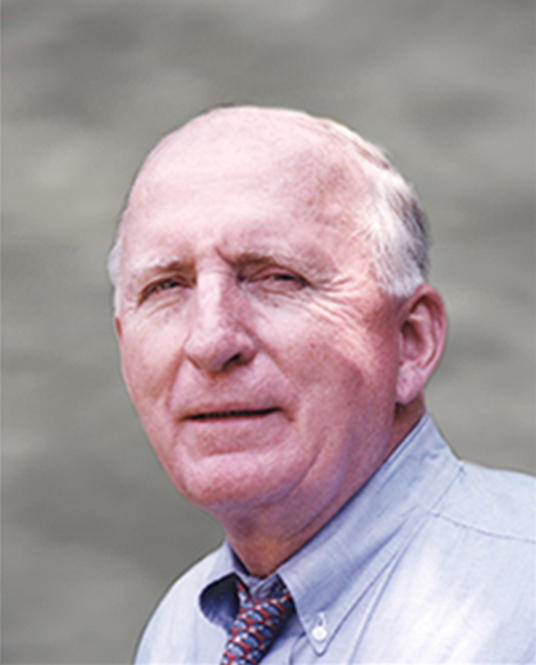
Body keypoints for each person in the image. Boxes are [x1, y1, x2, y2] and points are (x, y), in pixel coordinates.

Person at [108, 106, 535, 664]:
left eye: (277, 277)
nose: (210, 341)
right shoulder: (182, 632)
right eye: (166, 287)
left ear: (410, 342)